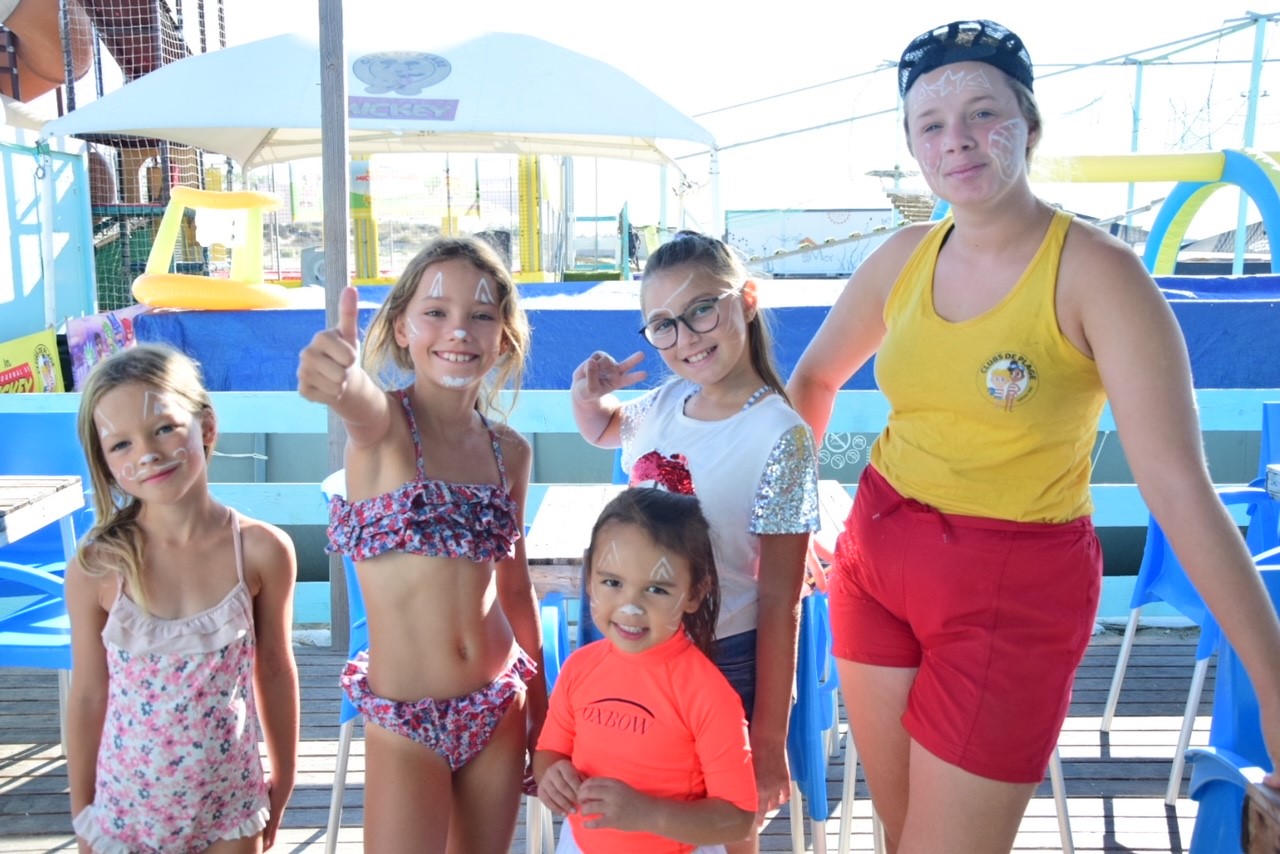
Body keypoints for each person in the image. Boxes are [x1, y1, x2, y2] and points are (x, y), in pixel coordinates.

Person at [786, 19, 1280, 853]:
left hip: (1010, 589)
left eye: (983, 113)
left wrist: (1273, 683)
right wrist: (793, 518)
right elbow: (813, 381)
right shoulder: (902, 257)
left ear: (1030, 124)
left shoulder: (1099, 273)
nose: (957, 139)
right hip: (874, 562)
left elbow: (1177, 487)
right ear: (912, 146)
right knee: (900, 837)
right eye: (931, 124)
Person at [297, 235, 547, 852]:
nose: (458, 330)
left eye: (480, 315)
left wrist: (545, 717)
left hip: (499, 702)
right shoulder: (384, 430)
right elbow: (358, 404)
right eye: (436, 311)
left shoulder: (510, 452)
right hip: (406, 718)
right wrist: (341, 379)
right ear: (401, 328)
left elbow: (515, 588)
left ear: (504, 339)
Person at [571, 230, 820, 848]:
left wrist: (767, 741)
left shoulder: (779, 434)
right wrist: (588, 395)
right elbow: (604, 429)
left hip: (721, 654)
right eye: (664, 325)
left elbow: (780, 598)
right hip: (635, 647)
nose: (686, 338)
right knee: (638, 805)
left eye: (702, 309)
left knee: (726, 819)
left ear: (747, 300)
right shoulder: (665, 400)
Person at [65, 343, 299, 853]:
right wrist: (83, 812)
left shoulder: (262, 551)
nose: (147, 453)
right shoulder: (97, 567)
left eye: (165, 428)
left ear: (206, 426)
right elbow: (87, 695)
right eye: (121, 444)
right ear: (104, 462)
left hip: (230, 809)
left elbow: (276, 669)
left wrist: (285, 777)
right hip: (124, 813)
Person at [534, 487, 757, 853]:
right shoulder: (579, 669)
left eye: (656, 589)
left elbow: (738, 817)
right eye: (612, 582)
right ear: (589, 577)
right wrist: (552, 775)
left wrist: (647, 814)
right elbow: (549, 753)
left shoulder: (707, 694)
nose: (630, 607)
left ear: (694, 593)